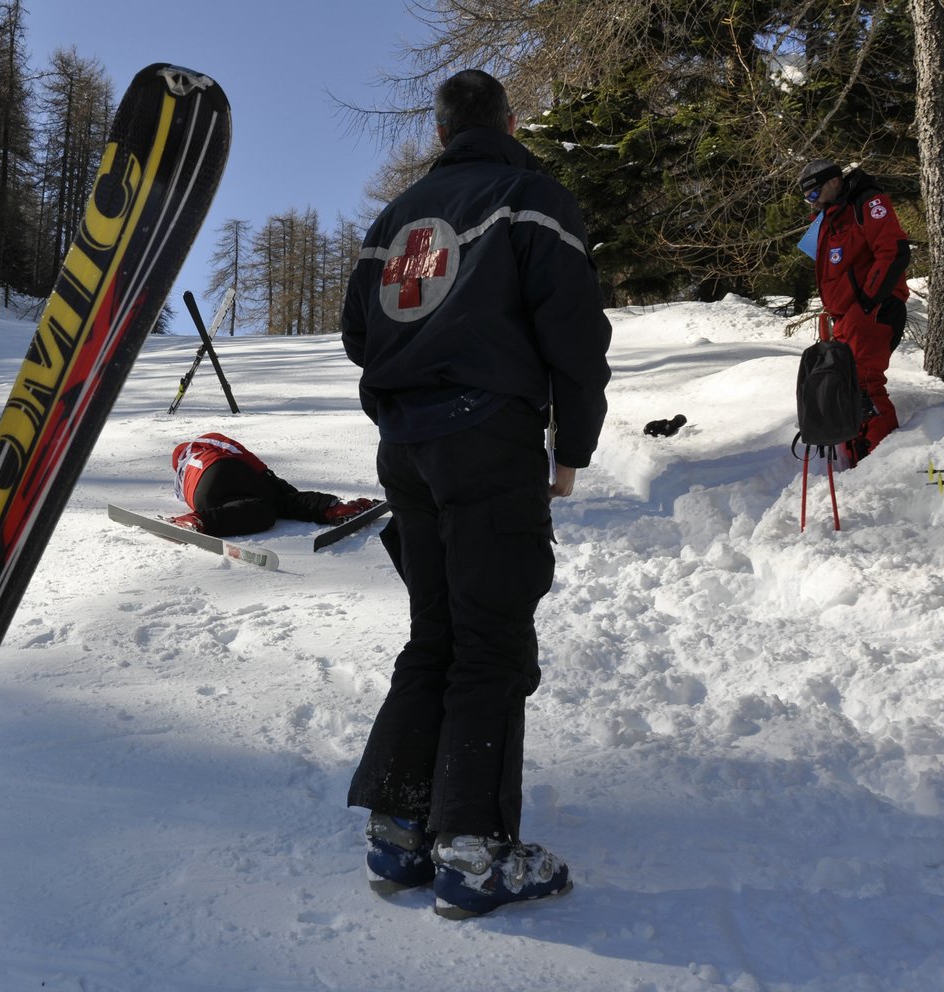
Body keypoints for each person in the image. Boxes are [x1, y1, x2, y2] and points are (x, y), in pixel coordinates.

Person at [339, 69, 612, 918]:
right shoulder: (529, 197)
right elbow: (573, 329)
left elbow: (358, 332)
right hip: (487, 438)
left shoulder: (396, 220)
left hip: (405, 446)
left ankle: (400, 825)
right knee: (491, 637)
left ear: (440, 128)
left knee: (438, 629)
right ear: (510, 119)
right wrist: (572, 444)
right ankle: (473, 848)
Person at [797, 159, 911, 464]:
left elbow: (893, 252)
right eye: (809, 198)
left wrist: (866, 302)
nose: (814, 202)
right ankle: (858, 458)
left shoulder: (868, 203)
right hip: (847, 316)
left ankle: (884, 463)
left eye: (814, 194)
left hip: (873, 310)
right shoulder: (831, 217)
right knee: (847, 386)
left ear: (833, 181)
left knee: (865, 385)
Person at [167, 432, 377, 536]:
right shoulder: (202, 443)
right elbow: (235, 449)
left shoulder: (180, 478)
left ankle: (199, 521)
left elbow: (194, 499)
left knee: (259, 510)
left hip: (202, 497)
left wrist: (201, 511)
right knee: (282, 500)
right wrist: (268, 476)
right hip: (222, 468)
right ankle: (335, 509)